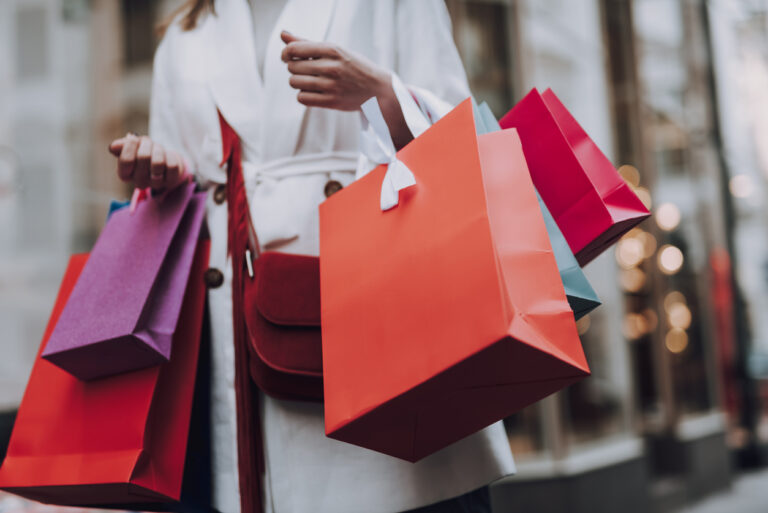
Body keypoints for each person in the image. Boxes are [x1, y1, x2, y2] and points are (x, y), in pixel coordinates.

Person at [108, 1, 515, 512]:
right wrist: (163, 170)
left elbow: (467, 147)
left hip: (380, 313)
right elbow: (185, 196)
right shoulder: (186, 33)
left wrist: (383, 93)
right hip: (242, 346)